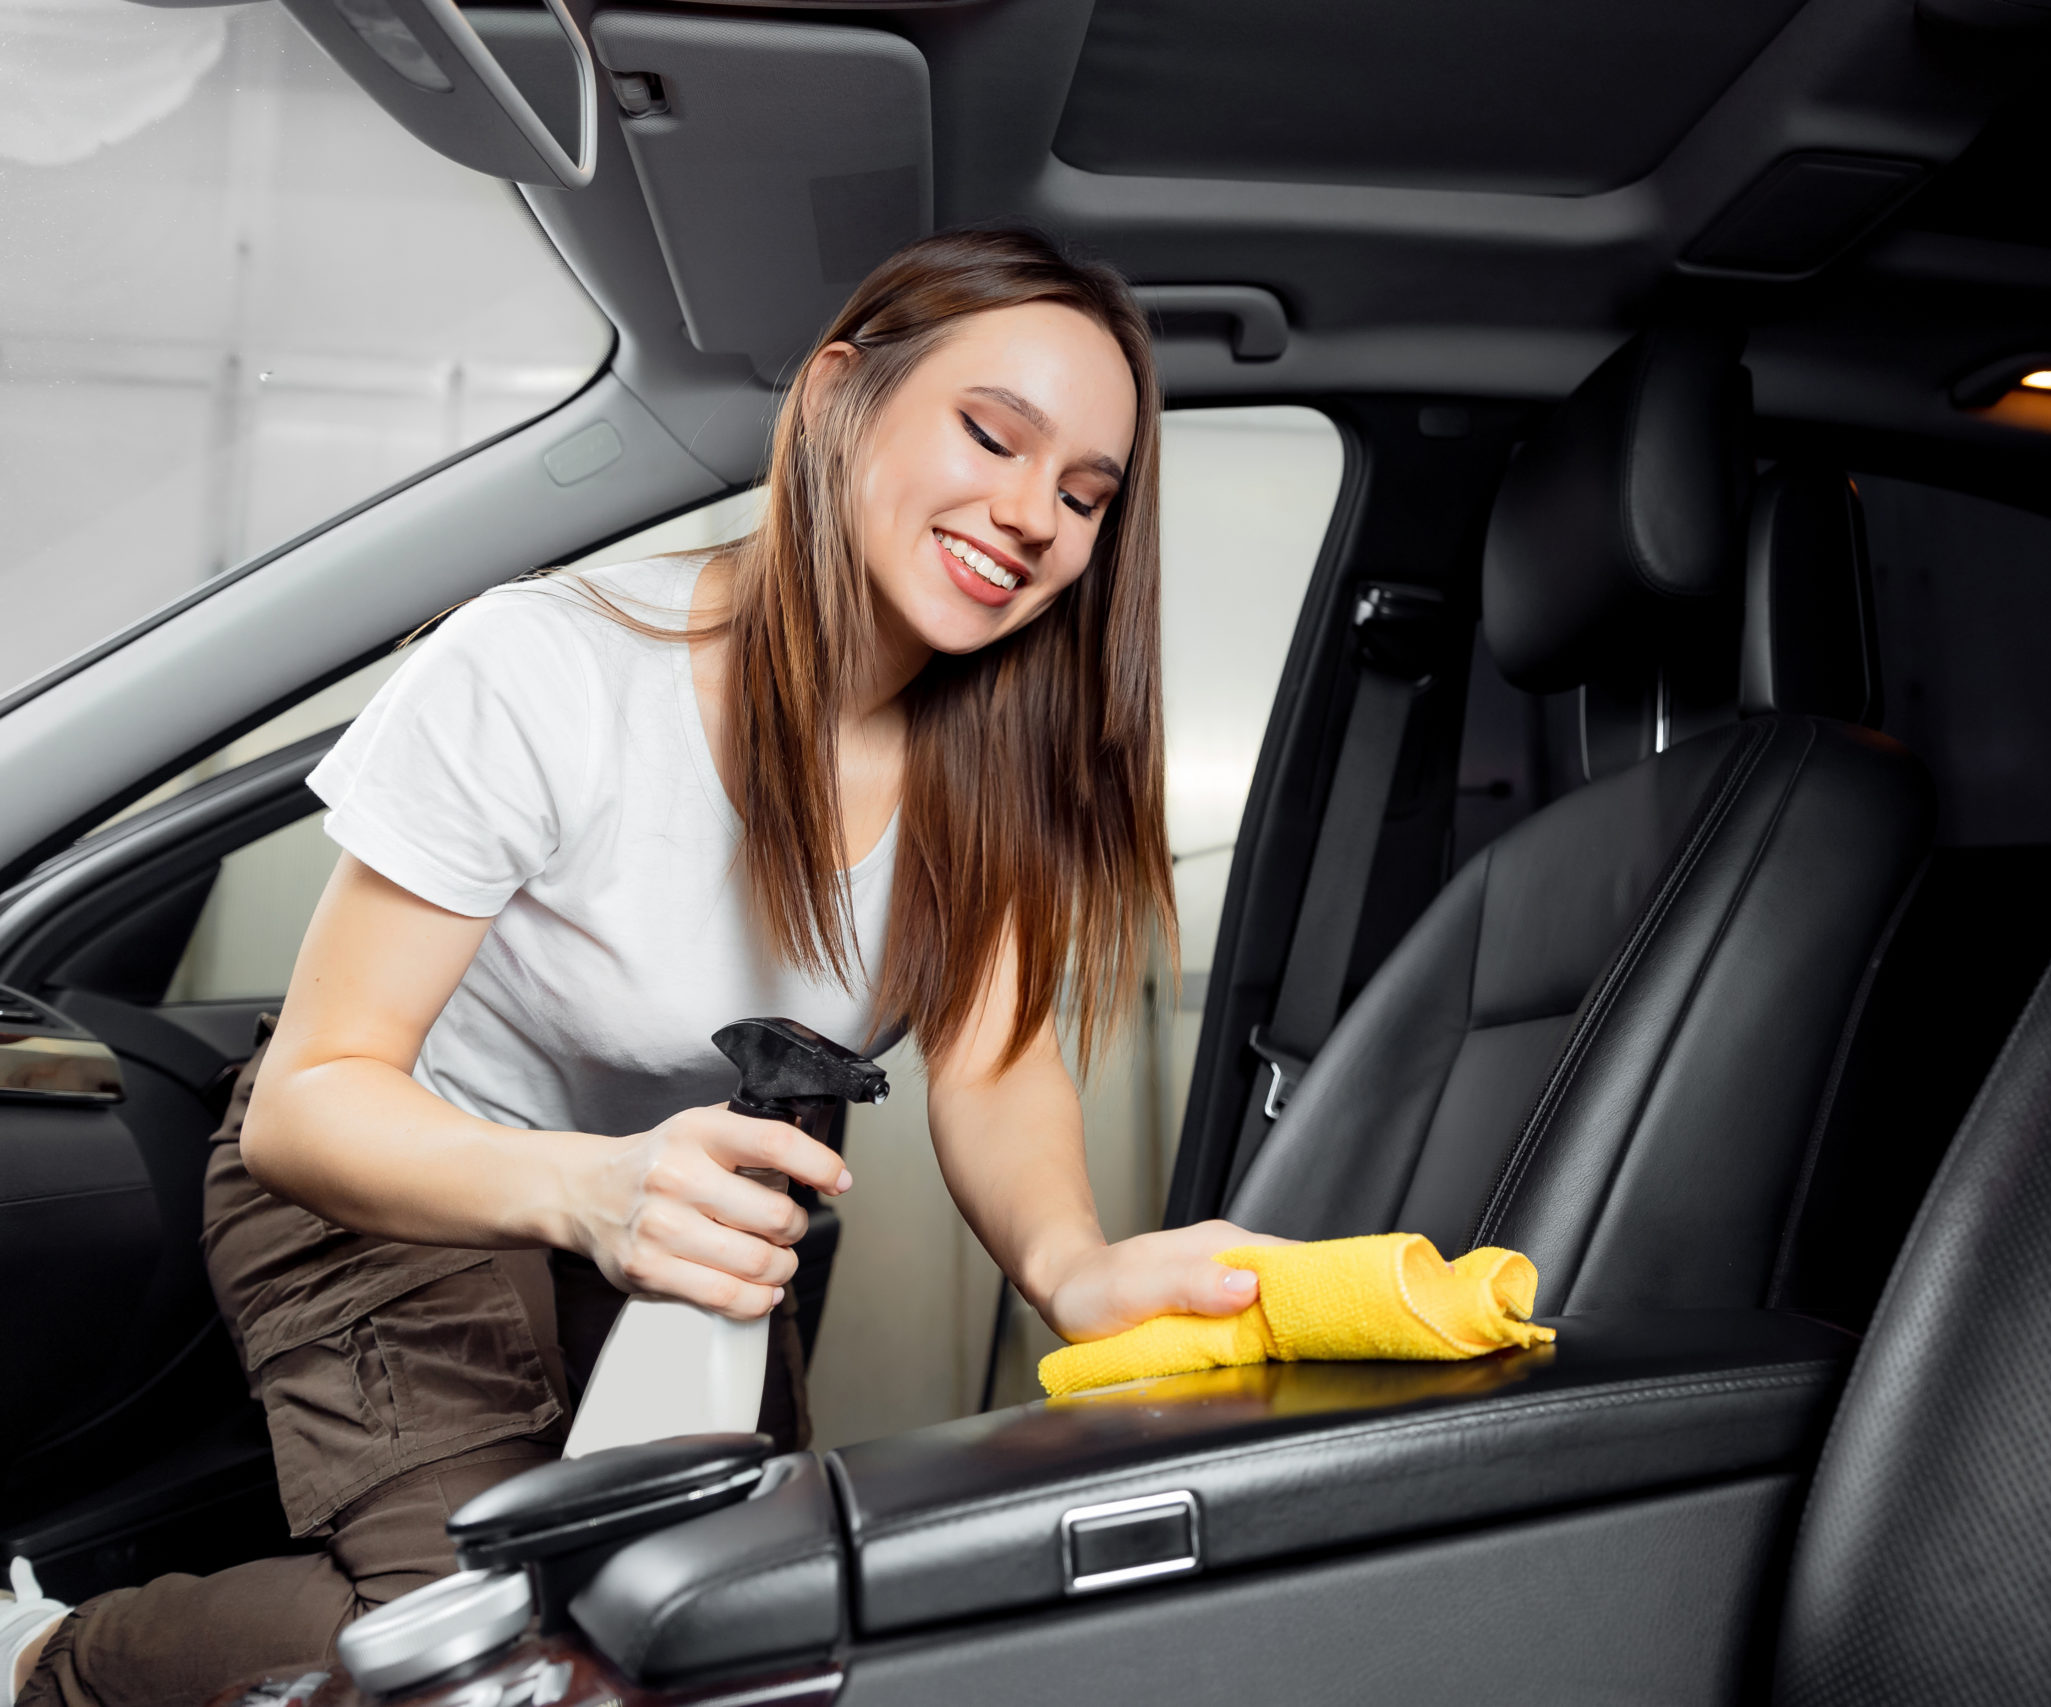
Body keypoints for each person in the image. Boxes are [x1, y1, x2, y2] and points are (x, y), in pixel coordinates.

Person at [8, 228, 1286, 1707]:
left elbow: (996, 1064)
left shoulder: (992, 768)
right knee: (499, 1650)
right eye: (992, 436)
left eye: (1083, 497)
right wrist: (588, 1188)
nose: (1032, 519)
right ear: (838, 396)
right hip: (407, 1177)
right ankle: (49, 1659)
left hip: (684, 1224)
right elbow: (310, 1101)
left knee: (707, 1631)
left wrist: (1076, 1266)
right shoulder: (544, 671)